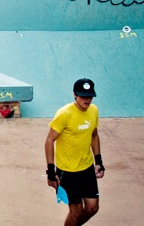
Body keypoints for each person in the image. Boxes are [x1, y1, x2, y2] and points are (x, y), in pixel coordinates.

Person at [45, 78, 104, 226]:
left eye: (89, 96)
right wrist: (51, 172)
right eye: (83, 96)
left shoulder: (94, 110)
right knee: (76, 211)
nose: (87, 99)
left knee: (92, 208)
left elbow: (94, 135)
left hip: (87, 168)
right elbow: (49, 141)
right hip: (68, 171)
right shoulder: (64, 114)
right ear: (75, 95)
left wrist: (99, 162)